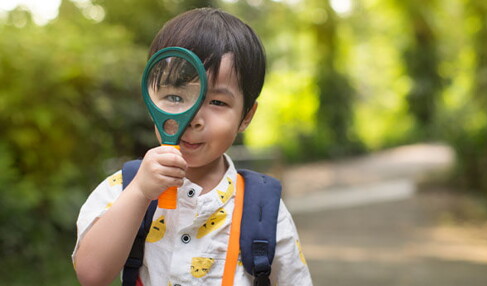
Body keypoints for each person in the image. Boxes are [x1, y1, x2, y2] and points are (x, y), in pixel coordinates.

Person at [73, 8, 312, 286]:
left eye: (217, 102)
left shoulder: (262, 209)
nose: (193, 118)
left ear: (246, 116)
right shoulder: (123, 187)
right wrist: (139, 193)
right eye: (175, 97)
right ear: (152, 102)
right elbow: (92, 275)